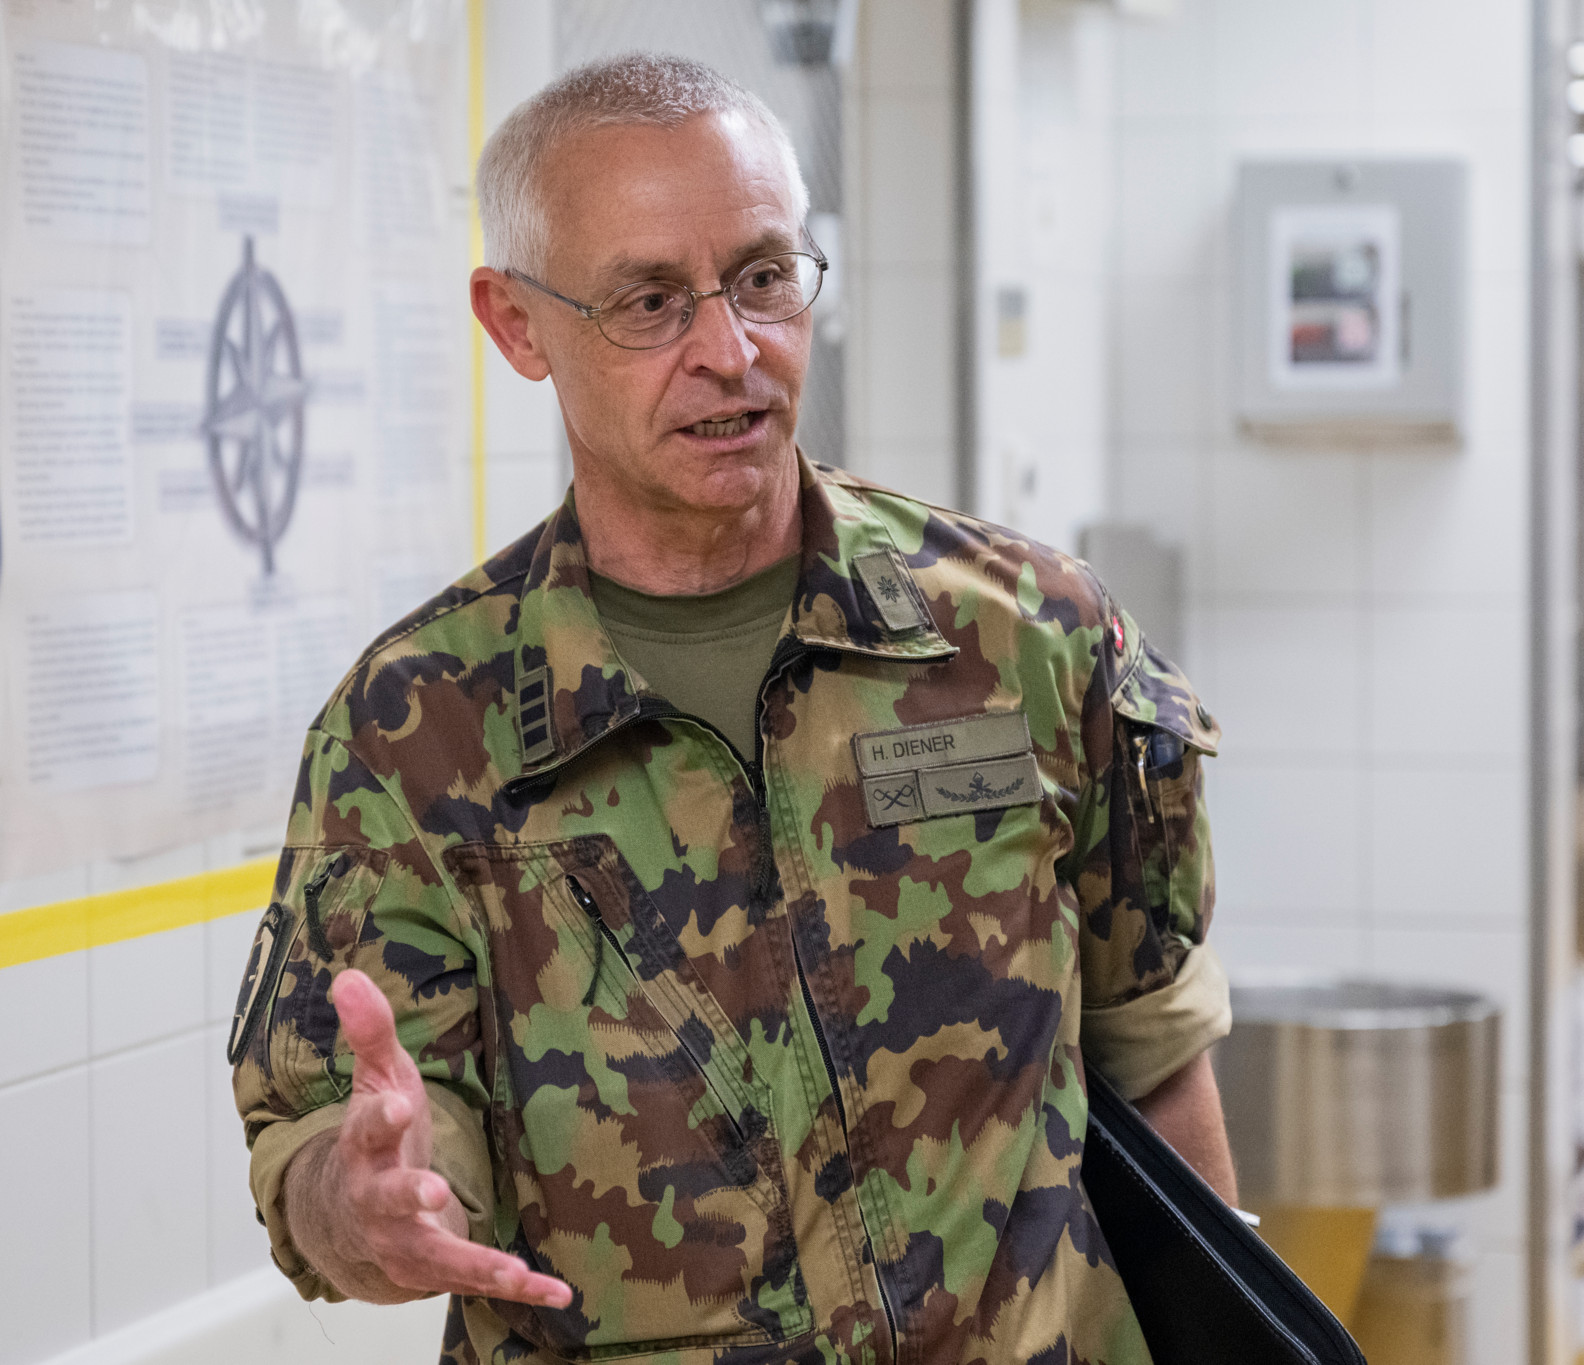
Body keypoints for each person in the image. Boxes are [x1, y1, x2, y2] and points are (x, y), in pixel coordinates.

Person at [230, 51, 1235, 1365]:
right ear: (516, 325)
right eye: (650, 300)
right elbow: (326, 1142)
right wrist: (362, 1204)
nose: (730, 350)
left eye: (764, 276)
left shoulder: (1026, 638)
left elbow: (1156, 1052)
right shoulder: (418, 731)